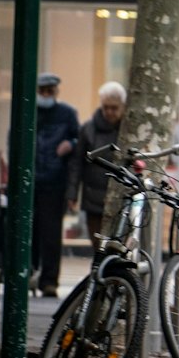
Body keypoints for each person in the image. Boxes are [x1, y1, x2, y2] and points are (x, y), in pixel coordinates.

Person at [31, 73, 81, 296]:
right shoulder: (29, 112)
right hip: (30, 180)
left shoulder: (67, 114)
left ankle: (49, 280)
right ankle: (29, 272)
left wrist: (70, 144)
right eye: (42, 91)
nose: (45, 95)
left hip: (54, 181)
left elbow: (79, 140)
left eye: (49, 91)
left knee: (51, 234)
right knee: (30, 229)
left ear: (56, 92)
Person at [68, 82, 126, 244]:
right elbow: (76, 163)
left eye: (114, 108)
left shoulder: (128, 131)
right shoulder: (88, 129)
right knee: (98, 245)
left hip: (121, 199)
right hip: (93, 198)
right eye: (106, 107)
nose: (109, 112)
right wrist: (72, 193)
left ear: (122, 107)